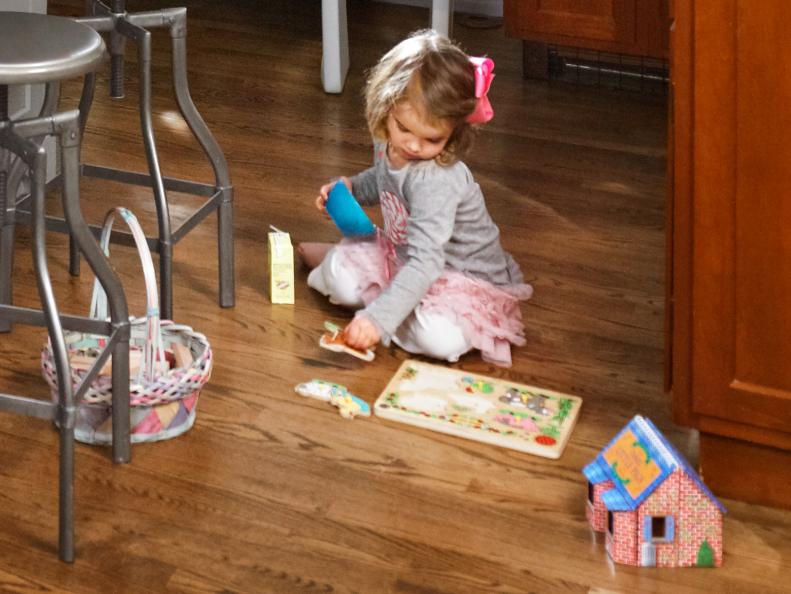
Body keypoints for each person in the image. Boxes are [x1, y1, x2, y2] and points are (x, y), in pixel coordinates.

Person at [302, 30, 532, 367]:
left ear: (454, 132)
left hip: (459, 276)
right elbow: (384, 180)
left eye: (432, 139)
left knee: (438, 340)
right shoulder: (389, 141)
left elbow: (428, 263)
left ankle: (383, 301)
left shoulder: (436, 179)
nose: (413, 146)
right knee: (340, 278)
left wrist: (377, 320)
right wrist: (350, 187)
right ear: (386, 106)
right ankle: (352, 271)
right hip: (407, 258)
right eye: (404, 129)